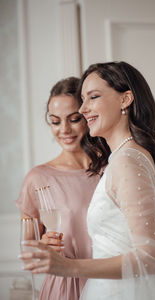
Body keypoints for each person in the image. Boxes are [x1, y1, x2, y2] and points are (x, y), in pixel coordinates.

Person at [20, 62, 155, 300]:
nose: (84, 109)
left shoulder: (124, 161)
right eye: (55, 121)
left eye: (92, 98)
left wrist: (69, 267)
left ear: (125, 99)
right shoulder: (122, 158)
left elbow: (153, 253)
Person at [16, 76, 109, 300]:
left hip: (112, 282)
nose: (64, 129)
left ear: (88, 115)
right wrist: (42, 246)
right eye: (55, 121)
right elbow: (28, 251)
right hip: (65, 289)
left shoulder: (112, 168)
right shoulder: (38, 178)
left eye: (74, 119)